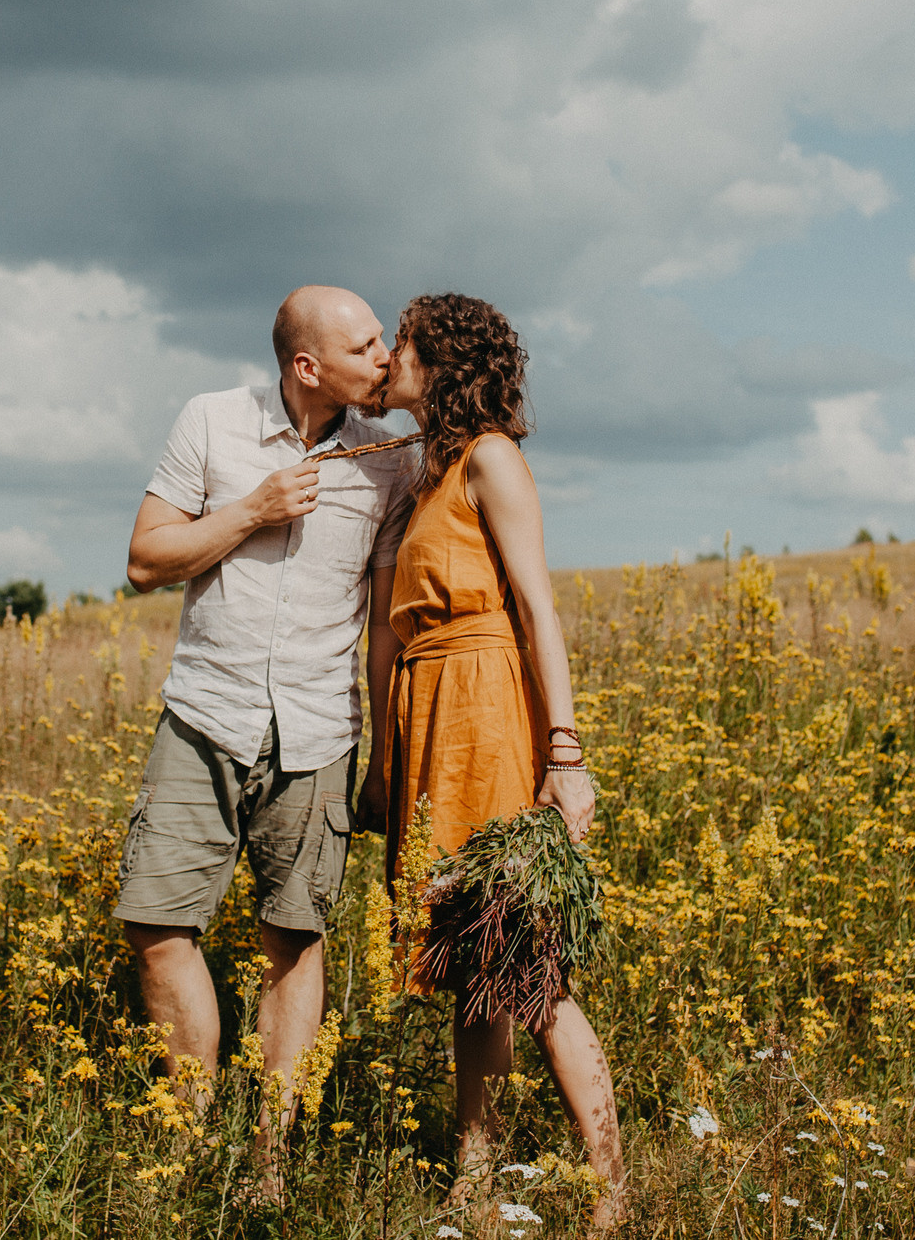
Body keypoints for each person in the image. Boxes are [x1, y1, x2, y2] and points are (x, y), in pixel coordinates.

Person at [116, 284, 422, 1186]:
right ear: (307, 365)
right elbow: (143, 560)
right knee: (156, 921)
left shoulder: (389, 460)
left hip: (320, 731)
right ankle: (187, 1144)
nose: (385, 355)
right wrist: (251, 509)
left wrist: (383, 757)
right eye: (367, 345)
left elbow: (382, 626)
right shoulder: (211, 422)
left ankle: (269, 1158)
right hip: (205, 714)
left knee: (294, 938)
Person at [365, 291, 625, 1228]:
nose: (387, 355)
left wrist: (567, 753)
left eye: (399, 341)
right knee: (470, 961)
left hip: (485, 708)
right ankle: (472, 1176)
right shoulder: (424, 469)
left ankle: (611, 1184)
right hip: (429, 713)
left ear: (438, 359)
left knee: (525, 960)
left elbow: (537, 606)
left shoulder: (491, 459)